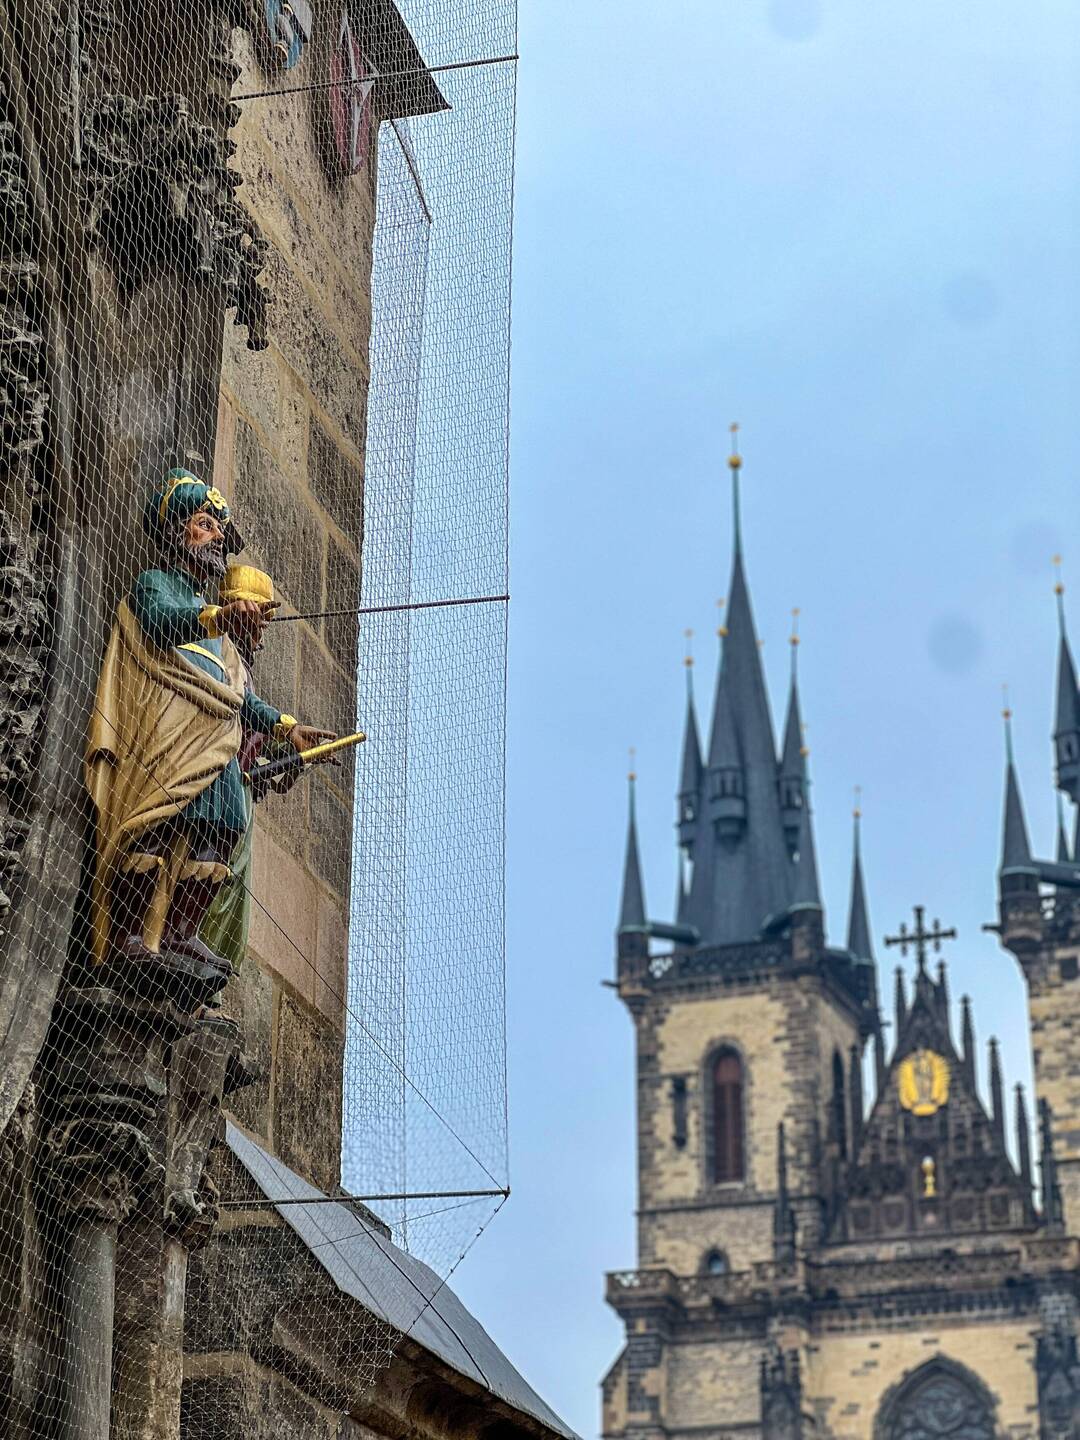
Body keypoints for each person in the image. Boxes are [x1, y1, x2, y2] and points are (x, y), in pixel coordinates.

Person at [85, 469, 333, 990]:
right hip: (165, 733)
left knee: (220, 828)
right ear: (177, 531)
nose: (217, 536)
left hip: (215, 742)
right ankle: (130, 933)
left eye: (219, 528)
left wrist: (287, 729)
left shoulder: (210, 614)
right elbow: (159, 623)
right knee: (155, 824)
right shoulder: (156, 585)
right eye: (206, 523)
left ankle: (179, 931)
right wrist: (219, 618)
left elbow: (240, 696)